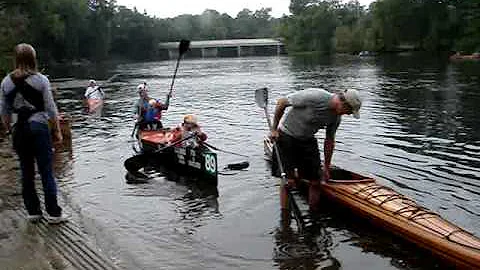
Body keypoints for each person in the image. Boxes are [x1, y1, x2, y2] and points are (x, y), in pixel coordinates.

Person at [0, 43, 66, 224]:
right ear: (33, 59)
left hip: (19, 130)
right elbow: (51, 109)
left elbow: (4, 112)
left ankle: (33, 212)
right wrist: (57, 131)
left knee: (26, 171)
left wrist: (9, 130)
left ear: (16, 59)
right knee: (46, 171)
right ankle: (54, 214)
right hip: (39, 127)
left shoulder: (6, 82)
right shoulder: (42, 80)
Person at [270, 88, 362, 209]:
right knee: (289, 182)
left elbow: (329, 141)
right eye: (349, 111)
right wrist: (274, 129)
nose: (349, 114)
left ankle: (313, 213)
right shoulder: (314, 96)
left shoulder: (336, 118)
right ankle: (285, 216)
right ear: (343, 103)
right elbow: (282, 102)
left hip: (308, 140)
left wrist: (327, 168)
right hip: (287, 136)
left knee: (316, 181)